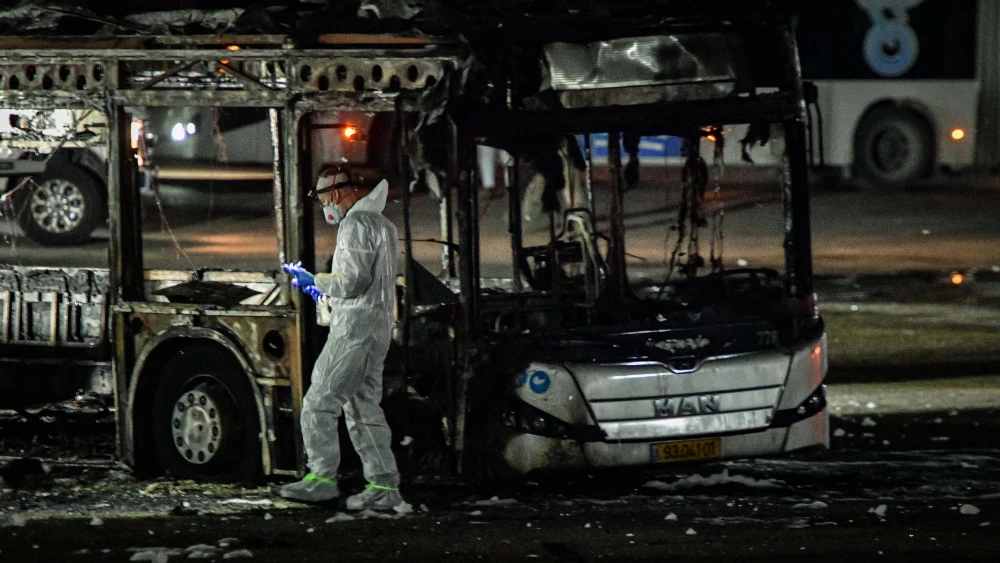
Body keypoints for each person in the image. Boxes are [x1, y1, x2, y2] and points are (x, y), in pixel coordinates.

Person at [278, 165, 406, 512]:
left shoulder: (355, 224)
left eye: (323, 200)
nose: (324, 207)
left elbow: (351, 282)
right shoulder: (383, 224)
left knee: (319, 402)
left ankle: (320, 479)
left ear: (334, 193)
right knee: (363, 409)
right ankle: (384, 486)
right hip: (375, 329)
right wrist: (324, 290)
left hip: (353, 332)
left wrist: (314, 280)